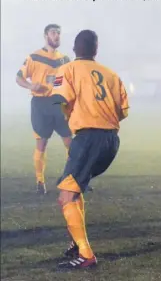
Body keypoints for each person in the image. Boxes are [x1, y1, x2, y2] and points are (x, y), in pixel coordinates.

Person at [52, 30, 129, 269]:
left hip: (88, 138)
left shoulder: (67, 69)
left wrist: (72, 118)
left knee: (66, 194)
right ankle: (77, 243)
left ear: (74, 48)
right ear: (96, 49)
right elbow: (123, 111)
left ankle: (86, 255)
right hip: (111, 140)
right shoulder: (112, 74)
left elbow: (60, 100)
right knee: (73, 188)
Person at [15, 24, 72, 194]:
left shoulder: (65, 59)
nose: (57, 36)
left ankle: (72, 177)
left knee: (70, 142)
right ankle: (40, 181)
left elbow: (69, 80)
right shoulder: (34, 57)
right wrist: (32, 85)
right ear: (46, 36)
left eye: (59, 33)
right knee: (41, 143)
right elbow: (19, 78)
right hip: (40, 104)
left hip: (59, 103)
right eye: (53, 33)